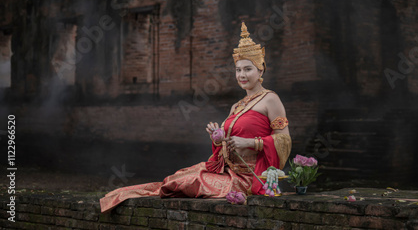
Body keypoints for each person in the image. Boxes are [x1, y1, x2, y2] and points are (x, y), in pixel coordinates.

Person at [100, 22, 292, 213]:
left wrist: (250, 143)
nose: (242, 75)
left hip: (251, 178)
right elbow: (229, 145)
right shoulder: (237, 105)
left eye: (248, 69)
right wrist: (218, 139)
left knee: (190, 181)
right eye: (238, 70)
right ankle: (123, 196)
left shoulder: (270, 100)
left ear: (261, 70)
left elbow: (284, 140)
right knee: (178, 177)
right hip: (229, 171)